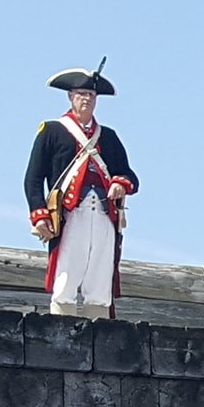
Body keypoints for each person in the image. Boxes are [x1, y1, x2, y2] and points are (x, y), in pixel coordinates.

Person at [23, 63, 138, 318]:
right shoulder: (52, 131)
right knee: (67, 270)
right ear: (70, 97)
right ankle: (61, 321)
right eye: (81, 94)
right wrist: (39, 215)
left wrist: (120, 183)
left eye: (91, 95)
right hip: (71, 212)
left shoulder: (108, 136)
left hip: (103, 213)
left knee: (100, 271)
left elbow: (130, 176)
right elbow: (33, 178)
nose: (86, 99)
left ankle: (97, 323)